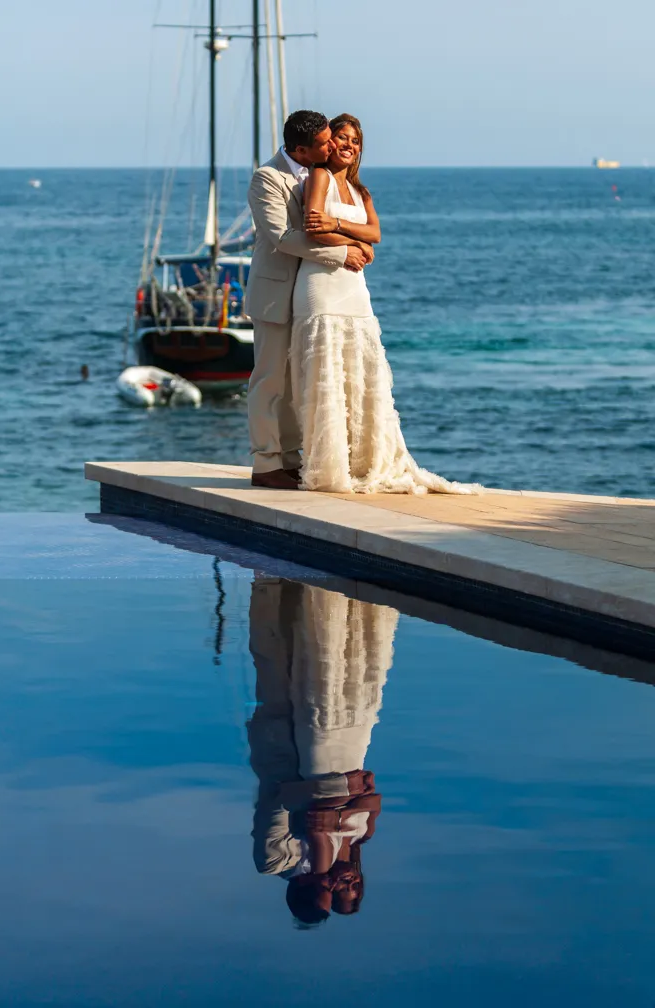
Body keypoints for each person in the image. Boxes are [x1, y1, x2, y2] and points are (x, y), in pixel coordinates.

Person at [290, 113, 481, 494]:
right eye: (341, 138)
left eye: (355, 140)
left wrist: (341, 228)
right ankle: (330, 466)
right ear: (329, 144)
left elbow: (375, 233)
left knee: (360, 372)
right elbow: (313, 226)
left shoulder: (363, 193)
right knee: (327, 374)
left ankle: (362, 462)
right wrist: (352, 244)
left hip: (355, 289)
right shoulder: (319, 177)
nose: (348, 145)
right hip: (321, 287)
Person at [247, 576, 395, 926]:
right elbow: (369, 797)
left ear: (304, 892)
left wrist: (342, 793)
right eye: (342, 892)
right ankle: (336, 589)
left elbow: (278, 800)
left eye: (327, 893)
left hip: (283, 747)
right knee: (319, 672)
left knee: (276, 658)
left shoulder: (275, 862)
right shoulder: (354, 847)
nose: (335, 886)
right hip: (328, 750)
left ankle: (274, 583)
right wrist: (340, 805)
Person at [246, 111, 369, 490]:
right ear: (300, 149)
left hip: (311, 294)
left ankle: (292, 459)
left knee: (299, 381)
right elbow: (283, 237)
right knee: (270, 381)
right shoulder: (267, 178)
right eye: (325, 143)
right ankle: (266, 464)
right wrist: (344, 251)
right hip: (275, 293)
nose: (334, 146)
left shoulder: (324, 172)